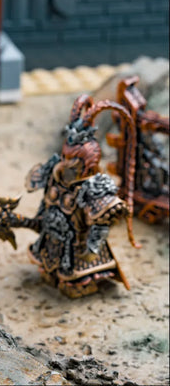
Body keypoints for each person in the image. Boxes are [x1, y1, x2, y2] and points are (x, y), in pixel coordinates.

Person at [25, 96, 139, 298]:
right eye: (65, 157)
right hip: (50, 239)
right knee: (49, 270)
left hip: (78, 248)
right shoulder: (55, 171)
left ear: (87, 162)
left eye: (73, 160)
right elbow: (46, 202)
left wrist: (92, 249)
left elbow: (101, 225)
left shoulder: (95, 186)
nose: (66, 163)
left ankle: (82, 283)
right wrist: (36, 220)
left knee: (74, 280)